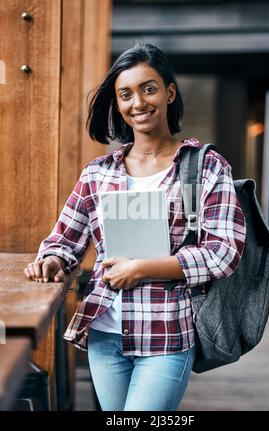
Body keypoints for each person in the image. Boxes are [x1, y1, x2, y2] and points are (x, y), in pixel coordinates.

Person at [24, 42, 246, 411]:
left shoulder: (204, 167)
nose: (138, 103)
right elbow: (64, 240)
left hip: (167, 333)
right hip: (104, 332)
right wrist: (52, 260)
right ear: (117, 104)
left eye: (149, 88)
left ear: (169, 92)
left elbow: (223, 252)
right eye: (125, 94)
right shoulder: (99, 173)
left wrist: (142, 269)